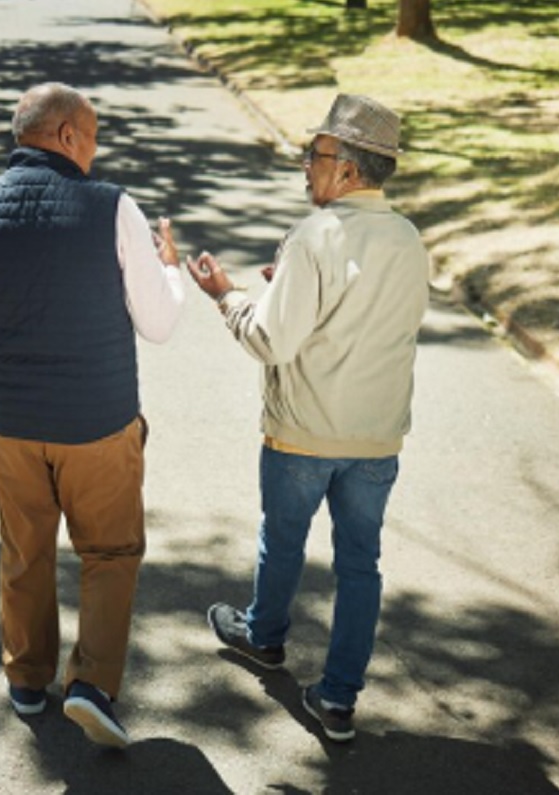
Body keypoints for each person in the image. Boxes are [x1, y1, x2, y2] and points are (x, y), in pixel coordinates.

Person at [0, 82, 184, 748]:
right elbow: (159, 324)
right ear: (69, 135)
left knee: (25, 549)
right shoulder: (112, 208)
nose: (95, 152)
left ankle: (27, 680)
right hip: (97, 420)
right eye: (95, 137)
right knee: (109, 551)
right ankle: (93, 685)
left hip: (10, 420)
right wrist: (171, 272)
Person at [185, 94, 430, 743]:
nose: (305, 166)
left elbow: (269, 340)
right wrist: (289, 286)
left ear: (348, 170)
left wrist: (226, 295)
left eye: (315, 155)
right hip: (377, 434)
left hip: (304, 431)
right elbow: (379, 320)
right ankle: (340, 698)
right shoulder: (408, 237)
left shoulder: (314, 234)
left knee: (284, 537)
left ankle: (265, 636)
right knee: (360, 563)